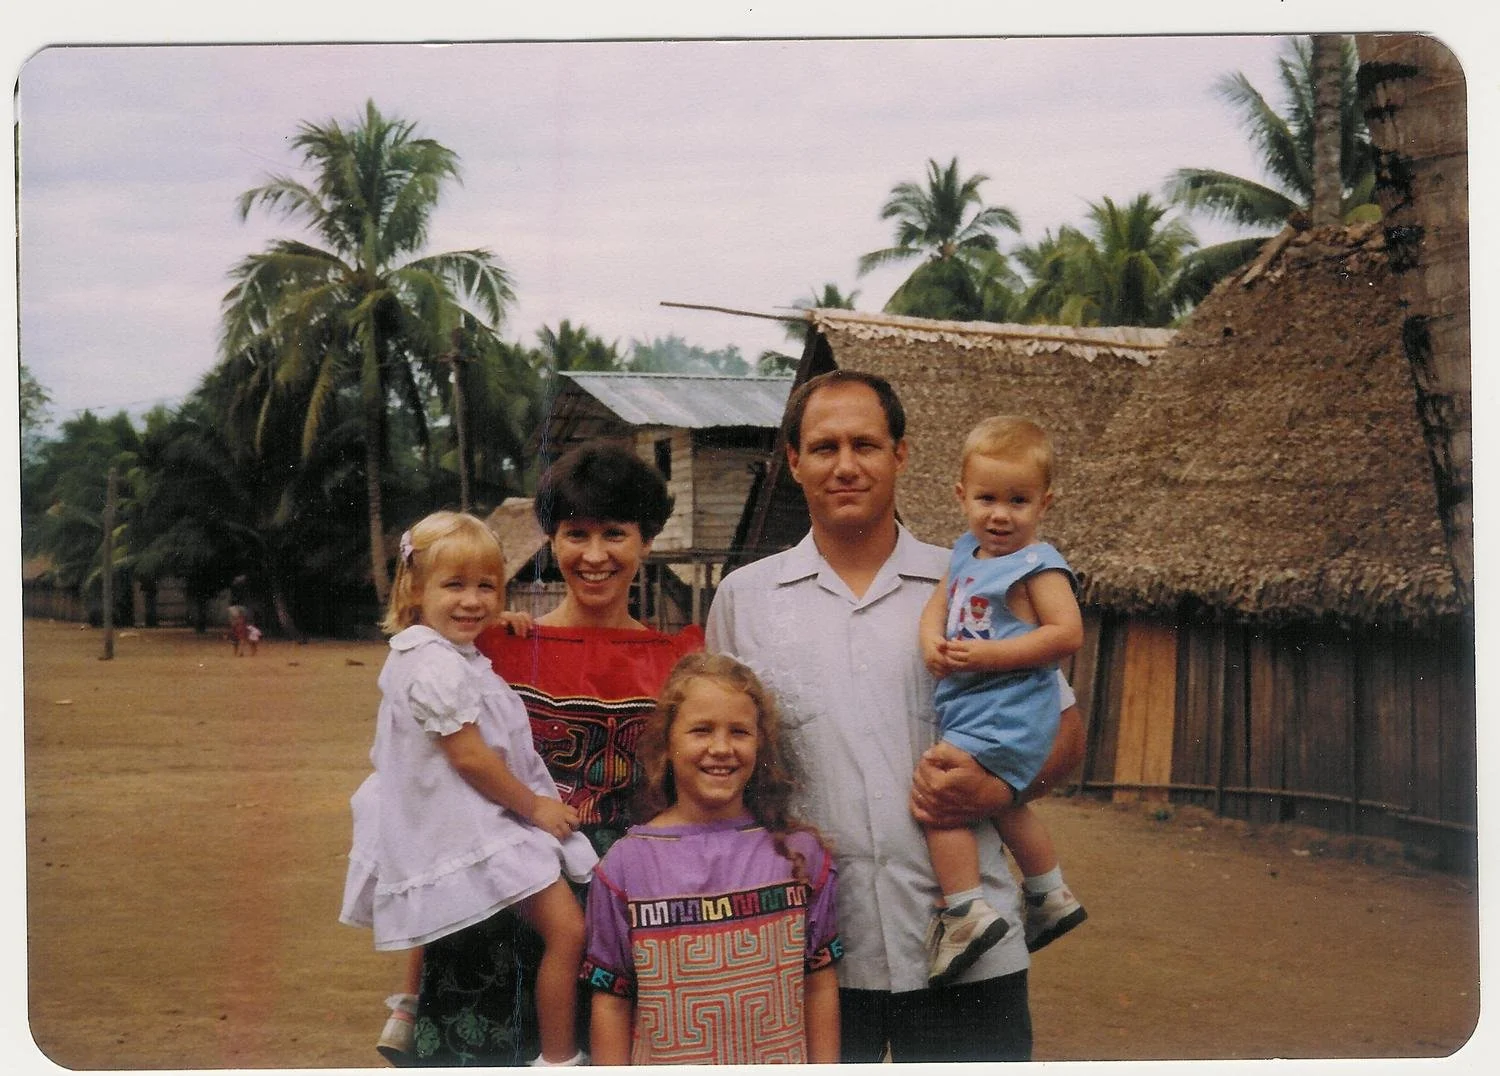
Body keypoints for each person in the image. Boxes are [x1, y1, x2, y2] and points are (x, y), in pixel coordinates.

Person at [706, 369, 1085, 1063]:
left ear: (901, 455)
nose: (846, 466)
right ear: (794, 461)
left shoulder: (976, 580)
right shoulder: (745, 600)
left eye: (866, 445)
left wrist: (997, 792)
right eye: (824, 447)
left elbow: (1065, 733)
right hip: (812, 952)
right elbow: (717, 766)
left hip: (969, 948)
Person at [404, 443, 702, 1066]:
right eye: (576, 534)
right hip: (498, 891)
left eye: (615, 533)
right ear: (551, 539)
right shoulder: (493, 648)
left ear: (647, 541)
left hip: (626, 899)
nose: (594, 555)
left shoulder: (682, 661)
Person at [339, 510, 597, 1067]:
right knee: (568, 932)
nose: (472, 601)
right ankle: (559, 1059)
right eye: (454, 585)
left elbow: (467, 634)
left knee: (434, 901)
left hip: (433, 815)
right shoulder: (437, 668)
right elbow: (471, 757)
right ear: (415, 589)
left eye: (487, 587)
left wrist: (500, 622)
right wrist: (536, 807)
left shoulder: (427, 650)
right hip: (472, 820)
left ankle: (409, 1006)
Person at [580, 652, 842, 1064]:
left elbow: (819, 984)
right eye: (701, 730)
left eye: (739, 731)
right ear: (668, 743)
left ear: (761, 743)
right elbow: (612, 1001)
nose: (721, 748)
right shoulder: (625, 866)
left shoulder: (800, 856)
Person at [919, 415, 1088, 986]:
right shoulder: (966, 554)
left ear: (1044, 503)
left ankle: (965, 910)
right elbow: (937, 608)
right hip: (976, 708)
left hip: (1007, 710)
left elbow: (1067, 634)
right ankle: (1049, 892)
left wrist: (989, 655)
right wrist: (932, 644)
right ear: (961, 496)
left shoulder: (1038, 565)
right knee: (1004, 803)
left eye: (1018, 501)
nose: (1000, 515)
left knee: (938, 796)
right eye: (987, 498)